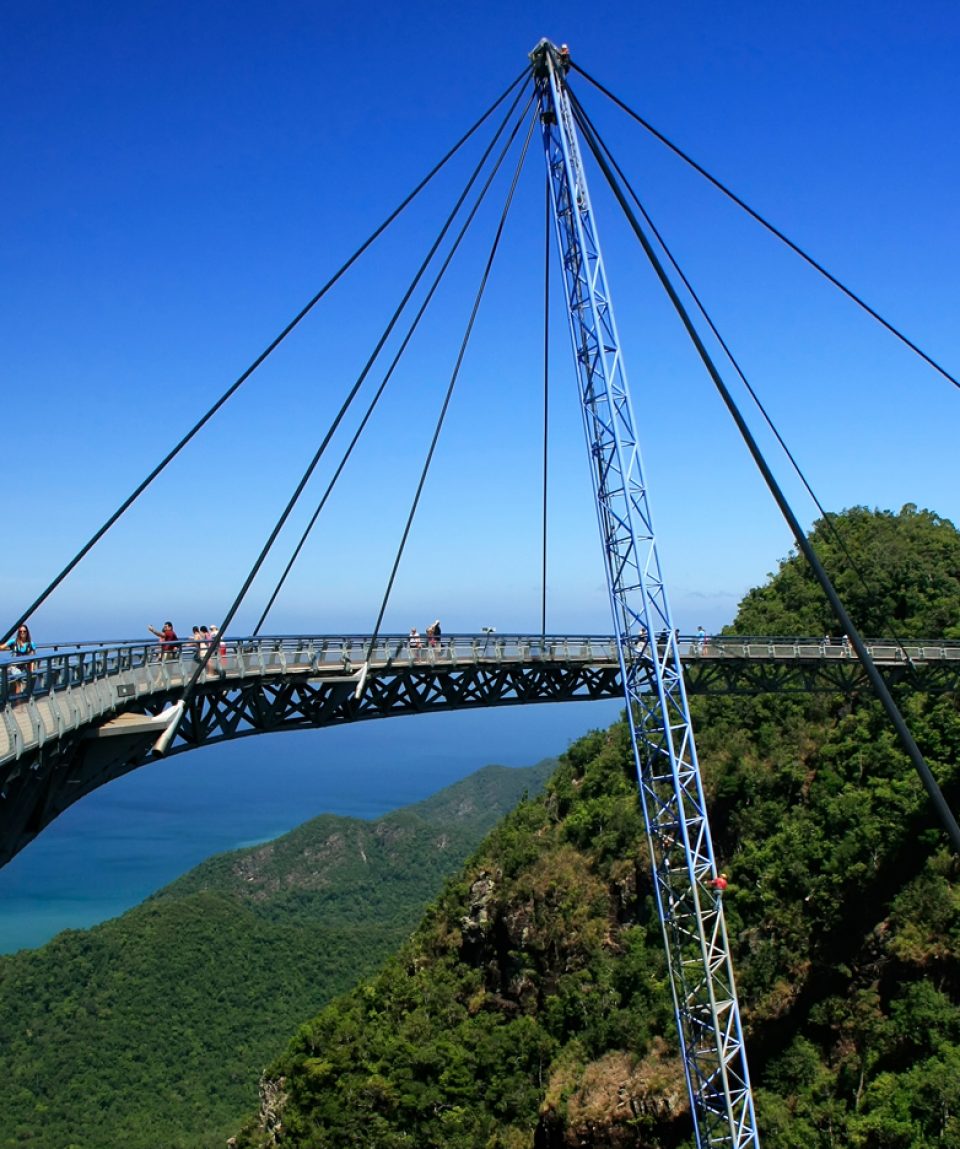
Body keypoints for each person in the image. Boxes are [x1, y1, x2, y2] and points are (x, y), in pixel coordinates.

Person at [1, 624, 37, 696]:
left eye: (24, 631)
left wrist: (32, 670)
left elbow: (32, 658)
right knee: (17, 675)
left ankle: (20, 697)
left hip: (25, 667)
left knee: (23, 678)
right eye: (20, 631)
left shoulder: (31, 644)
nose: (22, 633)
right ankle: (16, 697)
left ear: (27, 632)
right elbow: (2, 647)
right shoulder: (13, 642)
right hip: (15, 666)